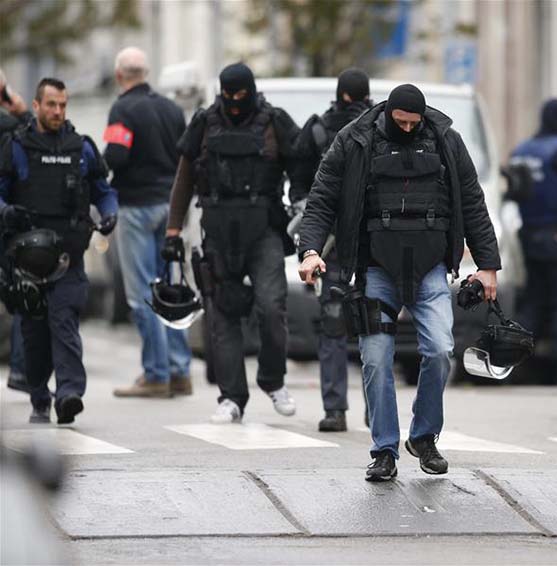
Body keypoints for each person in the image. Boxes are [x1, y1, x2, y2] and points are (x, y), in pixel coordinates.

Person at [297, 83, 501, 482]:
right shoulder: (355, 140)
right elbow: (322, 197)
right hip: (376, 269)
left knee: (441, 349)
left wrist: (487, 265)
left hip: (429, 269)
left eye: (414, 123)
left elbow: (472, 201)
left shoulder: (445, 140)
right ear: (387, 112)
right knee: (374, 359)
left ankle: (424, 437)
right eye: (400, 122)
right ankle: (384, 450)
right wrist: (310, 250)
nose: (407, 130)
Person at [163, 63, 300, 424]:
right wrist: (173, 231)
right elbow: (185, 178)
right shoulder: (205, 123)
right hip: (219, 231)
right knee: (222, 313)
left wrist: (307, 219)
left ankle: (273, 381)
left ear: (252, 91)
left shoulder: (275, 123)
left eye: (242, 95)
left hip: (265, 229)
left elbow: (303, 170)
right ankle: (231, 397)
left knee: (272, 307)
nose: (235, 102)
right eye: (229, 95)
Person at [0, 78, 118, 424]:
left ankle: (68, 393)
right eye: (51, 104)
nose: (58, 111)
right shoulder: (17, 147)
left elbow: (102, 190)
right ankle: (39, 396)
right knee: (34, 333)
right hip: (27, 259)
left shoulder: (80, 147)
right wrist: (6, 211)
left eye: (63, 105)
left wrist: (110, 213)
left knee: (64, 322)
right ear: (36, 106)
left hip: (68, 255)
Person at [106, 47, 193, 399]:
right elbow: (186, 156)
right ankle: (180, 370)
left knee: (142, 291)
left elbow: (116, 156)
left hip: (137, 207)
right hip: (170, 209)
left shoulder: (122, 108)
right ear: (146, 72)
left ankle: (155, 374)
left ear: (119, 76)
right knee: (169, 289)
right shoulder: (172, 109)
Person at [290, 68, 372, 433]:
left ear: (340, 95)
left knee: (333, 325)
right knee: (374, 328)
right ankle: (376, 409)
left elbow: (299, 184)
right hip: (372, 246)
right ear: (365, 96)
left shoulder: (319, 130)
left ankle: (335, 409)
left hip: (329, 246)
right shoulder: (377, 128)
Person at [507, 99, 557, 380]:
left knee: (532, 301)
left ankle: (514, 362)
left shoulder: (521, 150)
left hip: (528, 234)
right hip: (556, 235)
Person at [0, 68, 32, 394]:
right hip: (7, 219)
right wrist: (22, 111)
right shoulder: (12, 125)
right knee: (21, 294)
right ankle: (22, 372)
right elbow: (41, 138)